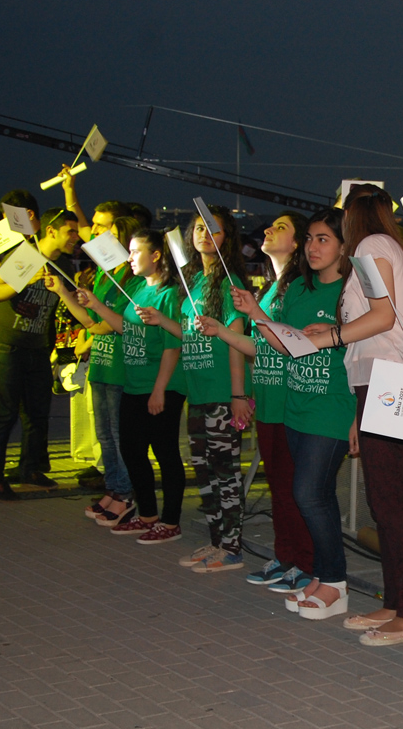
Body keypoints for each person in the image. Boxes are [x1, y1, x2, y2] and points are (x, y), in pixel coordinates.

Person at [303, 185, 403, 645]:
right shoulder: (381, 250)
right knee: (383, 497)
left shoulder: (373, 247)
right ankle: (397, 602)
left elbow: (381, 319)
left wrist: (328, 337)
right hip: (378, 384)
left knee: (391, 501)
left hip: (390, 382)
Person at [216, 208, 356, 618]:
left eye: (323, 239)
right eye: (310, 238)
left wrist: (358, 418)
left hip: (331, 408)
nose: (313, 247)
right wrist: (256, 315)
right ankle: (323, 575)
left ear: (344, 247)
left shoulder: (353, 294)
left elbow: (365, 354)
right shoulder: (298, 289)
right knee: (309, 494)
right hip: (295, 407)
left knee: (310, 493)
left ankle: (334, 582)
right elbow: (286, 345)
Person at [138, 206, 251, 570]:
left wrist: (237, 396)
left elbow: (235, 340)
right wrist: (164, 321)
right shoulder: (194, 283)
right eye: (199, 228)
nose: (204, 234)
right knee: (203, 473)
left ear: (226, 238)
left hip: (221, 393)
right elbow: (190, 335)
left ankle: (231, 547)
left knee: (225, 473)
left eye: (213, 229)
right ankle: (216, 540)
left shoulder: (229, 282)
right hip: (198, 393)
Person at [78, 229, 187, 543]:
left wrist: (158, 390)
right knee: (132, 450)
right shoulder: (137, 286)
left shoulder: (169, 294)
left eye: (135, 251)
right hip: (133, 382)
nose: (129, 258)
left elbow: (172, 346)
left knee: (164, 452)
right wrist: (97, 305)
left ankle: (170, 522)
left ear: (156, 255)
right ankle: (147, 514)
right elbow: (126, 328)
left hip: (162, 385)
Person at [0, 203, 78, 501]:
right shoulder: (25, 255)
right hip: (8, 345)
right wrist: (24, 278)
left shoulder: (65, 266)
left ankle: (30, 469)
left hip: (38, 348)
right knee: (5, 412)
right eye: (70, 232)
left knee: (38, 413)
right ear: (51, 230)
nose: (76, 237)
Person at [51, 216, 142, 523]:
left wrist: (97, 327)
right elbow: (90, 321)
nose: (103, 237)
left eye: (112, 234)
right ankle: (114, 488)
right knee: (104, 436)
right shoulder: (105, 276)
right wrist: (63, 292)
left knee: (119, 436)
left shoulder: (133, 280)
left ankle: (127, 494)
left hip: (120, 368)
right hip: (100, 368)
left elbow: (113, 324)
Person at [245, 211, 316, 593]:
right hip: (268, 398)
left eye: (282, 227)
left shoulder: (300, 288)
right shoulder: (271, 288)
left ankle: (304, 561)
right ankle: (285, 554)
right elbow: (260, 345)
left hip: (290, 400)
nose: (269, 229)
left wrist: (257, 315)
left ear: (298, 242)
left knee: (293, 487)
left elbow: (294, 341)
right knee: (277, 485)